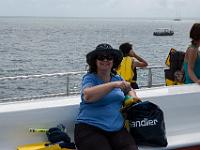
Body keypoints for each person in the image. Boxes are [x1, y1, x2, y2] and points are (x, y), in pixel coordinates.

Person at [74, 43, 139, 150]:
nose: (105, 60)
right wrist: (113, 85)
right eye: (101, 57)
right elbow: (87, 96)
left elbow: (129, 89)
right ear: (95, 61)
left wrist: (133, 98)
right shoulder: (90, 78)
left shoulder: (117, 78)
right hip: (90, 128)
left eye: (109, 57)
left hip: (117, 128)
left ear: (114, 61)